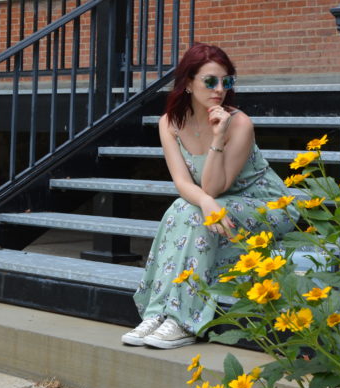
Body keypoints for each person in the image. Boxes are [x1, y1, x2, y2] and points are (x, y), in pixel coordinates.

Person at [121, 43, 297, 349]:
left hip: (266, 206)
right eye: (210, 81)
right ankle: (158, 312)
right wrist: (204, 202)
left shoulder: (239, 123)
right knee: (183, 207)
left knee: (191, 212)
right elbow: (183, 182)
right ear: (188, 83)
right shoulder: (170, 123)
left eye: (226, 82)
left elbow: (215, 187)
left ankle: (183, 320)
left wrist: (218, 137)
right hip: (216, 204)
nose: (219, 90)